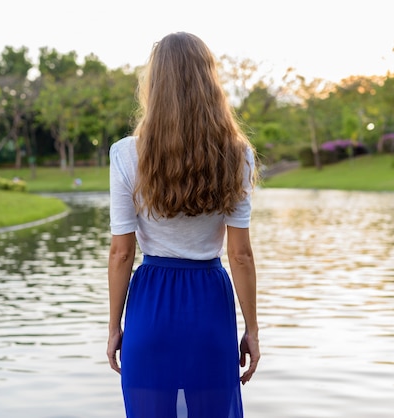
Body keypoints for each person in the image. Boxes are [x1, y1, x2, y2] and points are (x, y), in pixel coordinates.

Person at [107, 31, 260, 418]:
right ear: (209, 81)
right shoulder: (238, 155)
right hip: (208, 305)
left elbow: (121, 253)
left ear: (154, 85)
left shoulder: (126, 154)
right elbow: (239, 255)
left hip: (150, 307)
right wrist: (252, 330)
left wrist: (113, 328)